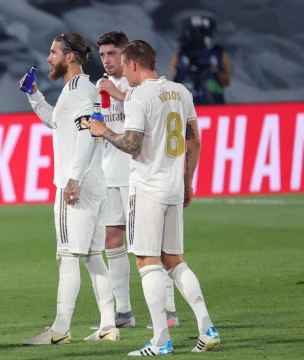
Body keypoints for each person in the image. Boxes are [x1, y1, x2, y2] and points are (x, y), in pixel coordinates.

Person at [87, 40, 220, 356]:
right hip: (173, 186)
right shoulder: (180, 92)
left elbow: (132, 144)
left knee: (147, 262)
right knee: (174, 260)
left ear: (132, 64)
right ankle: (207, 328)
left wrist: (102, 130)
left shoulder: (138, 95)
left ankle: (161, 340)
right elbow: (194, 141)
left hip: (147, 188)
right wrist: (187, 182)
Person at [21, 32, 118, 345]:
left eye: (54, 53)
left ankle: (60, 329)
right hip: (93, 182)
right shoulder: (77, 90)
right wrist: (34, 95)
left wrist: (73, 178)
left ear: (71, 56)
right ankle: (108, 324)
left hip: (76, 184)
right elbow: (58, 123)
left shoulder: (79, 90)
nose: (49, 58)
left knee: (68, 255)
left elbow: (90, 134)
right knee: (92, 255)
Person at [95, 31, 180, 329]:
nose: (106, 60)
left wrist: (117, 94)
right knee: (112, 240)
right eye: (102, 55)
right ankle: (123, 311)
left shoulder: (141, 86)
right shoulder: (101, 86)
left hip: (140, 174)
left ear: (127, 55)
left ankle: (168, 310)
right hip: (110, 172)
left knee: (151, 245)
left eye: (112, 54)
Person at [168, 15, 231, 105]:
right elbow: (174, 79)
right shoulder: (181, 55)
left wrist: (212, 73)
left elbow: (225, 80)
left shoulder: (218, 54)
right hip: (187, 106)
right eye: (194, 32)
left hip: (211, 105)